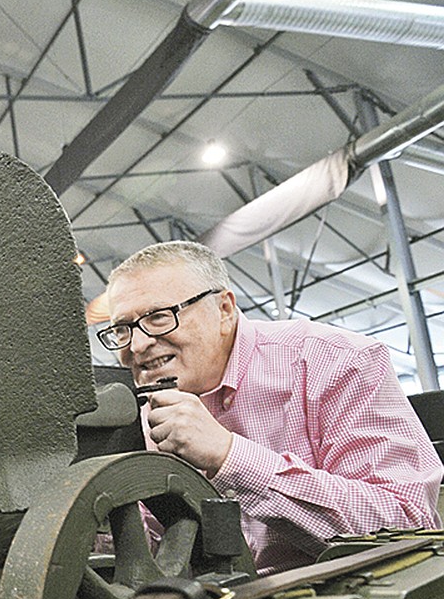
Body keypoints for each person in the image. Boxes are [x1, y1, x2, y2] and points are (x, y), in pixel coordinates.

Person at [99, 240, 443, 575]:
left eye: (159, 317)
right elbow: (148, 550)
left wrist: (229, 456)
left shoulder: (336, 361)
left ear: (224, 309)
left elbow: (407, 522)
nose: (138, 345)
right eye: (121, 329)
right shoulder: (142, 413)